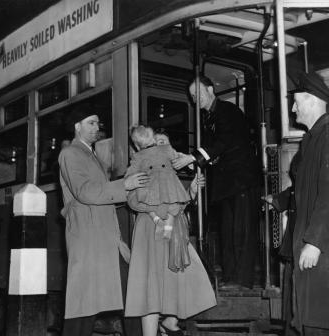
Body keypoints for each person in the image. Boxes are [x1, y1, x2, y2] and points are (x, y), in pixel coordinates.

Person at [265, 72, 329, 336]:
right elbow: (306, 187)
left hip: (320, 249)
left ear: (313, 100)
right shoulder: (312, 139)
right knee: (301, 322)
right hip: (302, 246)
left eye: (296, 102)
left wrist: (314, 243)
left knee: (318, 324)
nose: (293, 109)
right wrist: (278, 200)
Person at [58, 104, 150, 336]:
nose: (96, 127)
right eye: (91, 122)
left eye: (97, 123)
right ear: (77, 126)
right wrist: (124, 186)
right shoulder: (70, 153)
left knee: (127, 296)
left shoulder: (91, 154)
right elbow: (85, 192)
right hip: (90, 238)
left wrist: (132, 191)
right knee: (85, 304)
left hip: (105, 238)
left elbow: (103, 194)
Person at [172, 75, 261, 289]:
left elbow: (223, 142)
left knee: (240, 233)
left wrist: (194, 158)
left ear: (211, 89)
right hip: (228, 185)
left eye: (198, 94)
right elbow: (215, 151)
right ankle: (231, 279)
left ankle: (242, 281)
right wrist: (193, 162)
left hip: (240, 182)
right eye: (192, 97)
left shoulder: (227, 112)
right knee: (228, 233)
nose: (195, 100)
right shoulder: (210, 117)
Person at [124, 154, 216, 336]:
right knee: (152, 287)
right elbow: (134, 199)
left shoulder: (171, 176)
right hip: (150, 230)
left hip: (174, 231)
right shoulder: (141, 169)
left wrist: (191, 192)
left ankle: (170, 321)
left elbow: (178, 205)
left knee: (177, 278)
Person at [126, 125, 191, 242]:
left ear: (136, 145)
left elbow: (130, 174)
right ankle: (168, 224)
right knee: (173, 203)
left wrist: (128, 179)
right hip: (168, 185)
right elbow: (177, 157)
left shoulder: (138, 157)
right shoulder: (167, 150)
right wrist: (187, 159)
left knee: (149, 203)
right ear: (153, 140)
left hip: (149, 189)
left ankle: (156, 219)